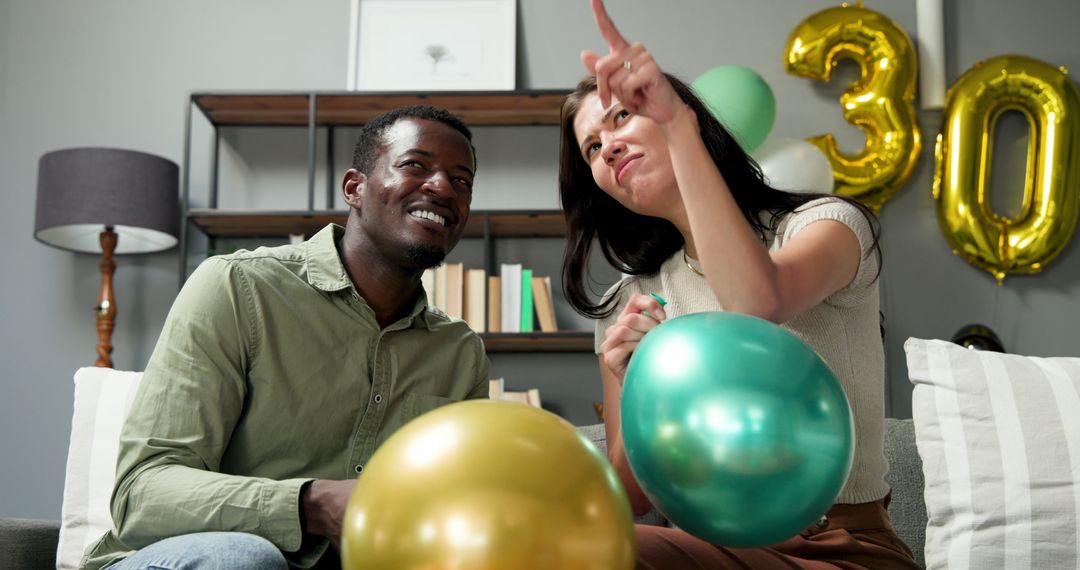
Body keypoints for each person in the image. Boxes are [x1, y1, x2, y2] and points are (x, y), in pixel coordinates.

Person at [559, 1, 920, 568]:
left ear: (679, 113)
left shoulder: (826, 225)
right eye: (590, 150)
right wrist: (627, 379)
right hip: (703, 546)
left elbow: (756, 303)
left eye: (620, 118)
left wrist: (679, 128)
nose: (606, 149)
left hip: (842, 548)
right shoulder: (628, 300)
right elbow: (627, 498)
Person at [81, 105, 490, 570]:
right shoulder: (236, 287)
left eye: (462, 181)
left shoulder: (460, 353)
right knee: (243, 559)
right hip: (186, 560)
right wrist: (311, 504)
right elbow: (142, 495)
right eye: (415, 165)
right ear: (354, 188)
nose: (442, 188)